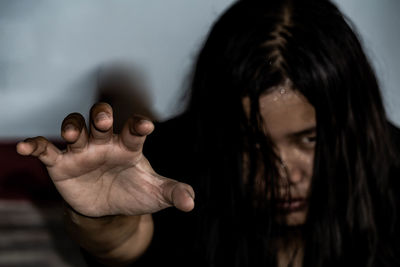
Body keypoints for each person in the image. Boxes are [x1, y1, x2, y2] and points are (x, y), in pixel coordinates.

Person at [16, 0, 400, 266]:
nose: (284, 175)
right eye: (251, 143)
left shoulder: (392, 166)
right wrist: (101, 218)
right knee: (134, 112)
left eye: (310, 139)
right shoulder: (172, 164)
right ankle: (118, 81)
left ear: (355, 124)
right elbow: (124, 247)